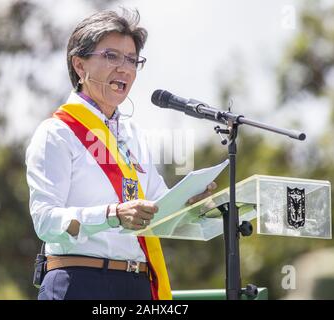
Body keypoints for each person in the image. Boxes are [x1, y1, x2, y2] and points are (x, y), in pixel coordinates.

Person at [25, 8, 217, 300]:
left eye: (132, 59)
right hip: (80, 281)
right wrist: (112, 215)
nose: (125, 68)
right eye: (111, 56)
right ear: (79, 65)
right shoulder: (57, 132)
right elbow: (46, 222)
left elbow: (159, 209)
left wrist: (191, 205)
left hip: (137, 283)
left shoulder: (134, 135)